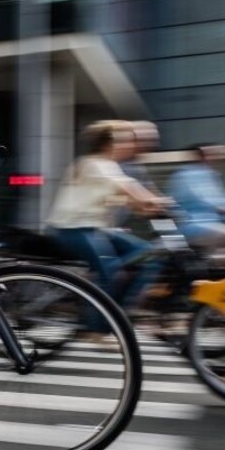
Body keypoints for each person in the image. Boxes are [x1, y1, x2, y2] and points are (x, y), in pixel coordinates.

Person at [46, 121, 168, 315]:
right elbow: (130, 189)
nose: (129, 145)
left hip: (95, 229)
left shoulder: (110, 166)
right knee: (111, 272)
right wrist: (157, 201)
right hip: (73, 230)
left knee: (147, 253)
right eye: (124, 141)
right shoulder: (95, 164)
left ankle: (118, 312)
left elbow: (133, 203)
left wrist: (150, 208)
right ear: (108, 144)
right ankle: (94, 329)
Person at [168, 143, 225, 253]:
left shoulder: (209, 174)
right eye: (217, 154)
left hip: (211, 222)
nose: (223, 157)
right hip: (195, 224)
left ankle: (224, 264)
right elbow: (218, 203)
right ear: (203, 157)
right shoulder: (192, 174)